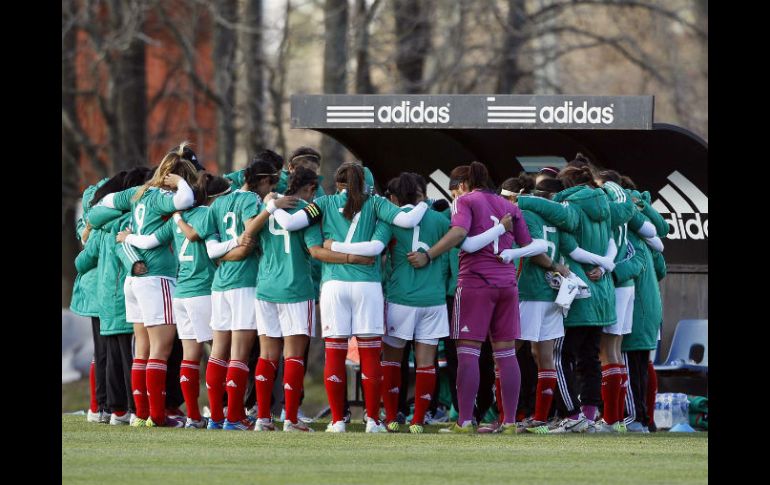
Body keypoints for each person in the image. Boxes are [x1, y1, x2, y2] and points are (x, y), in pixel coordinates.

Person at [269, 162, 430, 433]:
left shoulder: (324, 202)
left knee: (335, 351)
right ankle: (371, 420)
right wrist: (425, 203)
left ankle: (338, 421)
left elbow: (290, 222)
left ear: (338, 183)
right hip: (367, 286)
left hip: (334, 285)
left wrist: (271, 204)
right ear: (366, 183)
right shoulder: (377, 203)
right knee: (369, 354)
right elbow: (406, 222)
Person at [408, 161, 541, 434]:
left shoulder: (465, 201)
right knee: (506, 355)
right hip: (506, 285)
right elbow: (532, 246)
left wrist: (430, 254)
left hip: (475, 285)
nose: (454, 196)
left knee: (468, 353)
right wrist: (510, 247)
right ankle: (510, 422)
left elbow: (464, 241)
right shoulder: (511, 207)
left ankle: (465, 421)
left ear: (465, 185)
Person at [116, 173, 234, 428]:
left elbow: (148, 241)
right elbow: (207, 245)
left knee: (190, 357)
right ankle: (218, 416)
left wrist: (127, 238)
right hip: (203, 289)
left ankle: (193, 416)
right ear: (213, 198)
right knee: (220, 352)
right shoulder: (206, 215)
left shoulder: (176, 219)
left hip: (181, 292)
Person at [94, 143, 198, 427]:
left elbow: (102, 204)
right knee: (160, 351)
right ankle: (157, 415)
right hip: (157, 277)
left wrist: (127, 236)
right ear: (175, 176)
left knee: (141, 349)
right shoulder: (163, 195)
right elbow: (185, 201)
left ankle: (140, 415)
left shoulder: (138, 194)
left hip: (135, 281)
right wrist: (177, 183)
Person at [71, 178, 110, 424]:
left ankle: (100, 406)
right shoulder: (100, 226)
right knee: (107, 349)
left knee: (104, 349)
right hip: (103, 288)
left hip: (96, 288)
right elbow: (87, 255)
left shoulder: (88, 221)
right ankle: (103, 405)